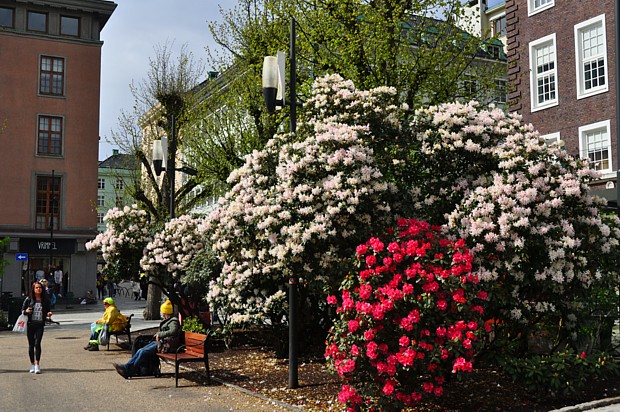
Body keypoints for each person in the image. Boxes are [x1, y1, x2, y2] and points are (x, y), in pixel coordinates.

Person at [113, 300, 180, 378]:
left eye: (162, 311)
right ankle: (126, 368)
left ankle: (128, 371)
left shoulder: (173, 321)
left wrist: (160, 334)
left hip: (165, 345)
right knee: (140, 350)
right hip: (160, 342)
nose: (161, 313)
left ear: (165, 312)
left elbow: (173, 331)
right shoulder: (168, 320)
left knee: (143, 352)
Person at [22, 281, 53, 374]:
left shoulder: (45, 300)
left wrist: (48, 314)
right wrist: (26, 311)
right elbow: (22, 310)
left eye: (40, 287)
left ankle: (37, 364)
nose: (38, 289)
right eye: (36, 288)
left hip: (40, 324)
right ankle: (32, 364)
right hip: (31, 324)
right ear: (33, 289)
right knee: (31, 345)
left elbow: (48, 310)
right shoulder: (28, 299)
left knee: (37, 343)